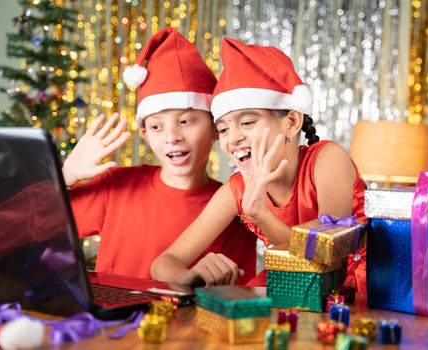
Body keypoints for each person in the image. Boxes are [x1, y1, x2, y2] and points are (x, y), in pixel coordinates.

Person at [151, 37, 367, 292]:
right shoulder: (237, 190)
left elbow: (327, 255)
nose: (234, 138)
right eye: (223, 128)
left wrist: (260, 215)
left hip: (355, 283)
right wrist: (191, 277)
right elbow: (163, 264)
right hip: (293, 282)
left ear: (292, 122)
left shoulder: (328, 159)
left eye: (247, 123)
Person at [63, 28, 256, 285]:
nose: (172, 136)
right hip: (112, 323)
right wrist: (64, 177)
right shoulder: (116, 186)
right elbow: (22, 228)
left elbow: (237, 296)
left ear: (215, 129)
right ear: (144, 134)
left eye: (186, 121)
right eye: (156, 126)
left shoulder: (233, 207)